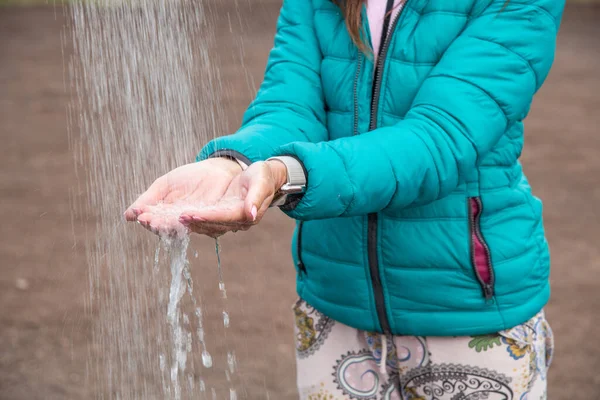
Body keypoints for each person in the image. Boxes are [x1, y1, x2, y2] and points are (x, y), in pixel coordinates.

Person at [125, 0, 563, 398]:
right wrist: (233, 164)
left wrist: (290, 174)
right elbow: (288, 108)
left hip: (469, 315)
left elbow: (438, 140)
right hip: (334, 311)